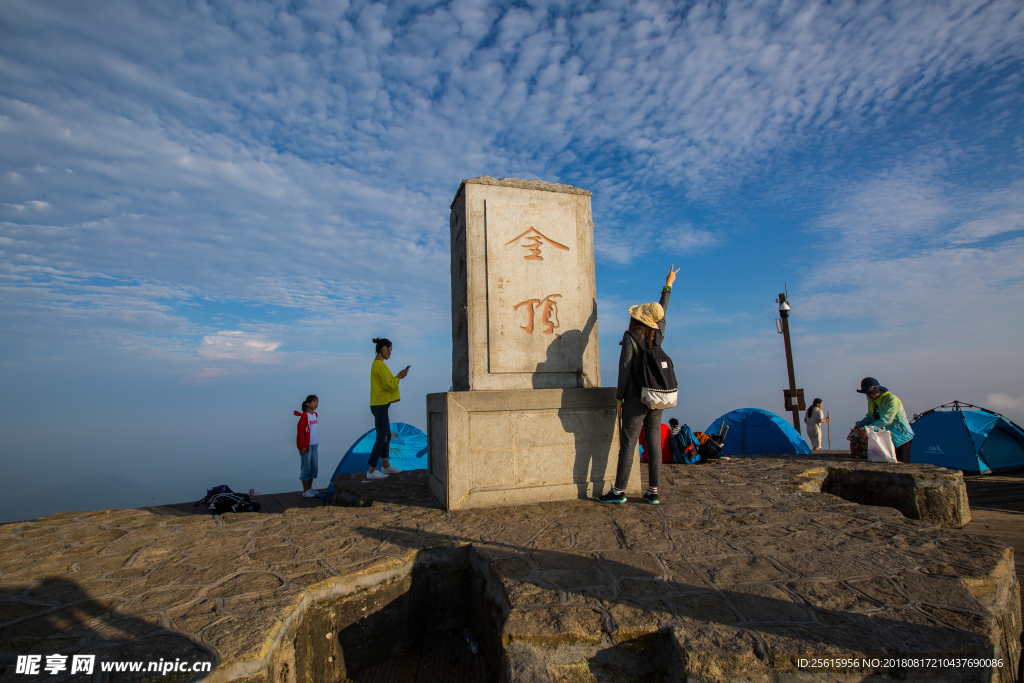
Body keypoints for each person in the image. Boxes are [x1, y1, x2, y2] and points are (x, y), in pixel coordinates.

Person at [599, 265, 679, 505]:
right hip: (657, 395)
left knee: (629, 444)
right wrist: (669, 286)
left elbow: (624, 373)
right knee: (654, 444)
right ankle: (653, 491)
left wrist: (619, 399)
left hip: (636, 397)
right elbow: (661, 312)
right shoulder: (658, 334)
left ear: (635, 318)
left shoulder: (630, 338)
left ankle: (619, 491)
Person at [368, 337, 409, 480]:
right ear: (384, 348)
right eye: (390, 350)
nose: (390, 354)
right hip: (379, 406)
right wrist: (398, 377)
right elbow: (389, 384)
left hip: (380, 405)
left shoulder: (378, 365)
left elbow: (387, 382)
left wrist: (397, 377)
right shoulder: (379, 365)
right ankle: (372, 470)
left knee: (386, 436)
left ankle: (385, 466)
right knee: (381, 437)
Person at [851, 377, 914, 462]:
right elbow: (871, 416)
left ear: (877, 390)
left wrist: (868, 429)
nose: (867, 395)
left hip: (901, 437)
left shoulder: (891, 400)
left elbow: (886, 420)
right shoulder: (871, 399)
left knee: (902, 463)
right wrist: (861, 423)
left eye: (869, 393)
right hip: (887, 437)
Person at [294, 395, 319, 497]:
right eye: (314, 401)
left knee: (313, 467)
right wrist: (302, 446)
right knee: (306, 468)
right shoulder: (304, 416)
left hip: (314, 445)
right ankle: (305, 491)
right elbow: (300, 432)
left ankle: (309, 488)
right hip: (307, 446)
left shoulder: (315, 415)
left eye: (317, 401)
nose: (316, 403)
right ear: (308, 404)